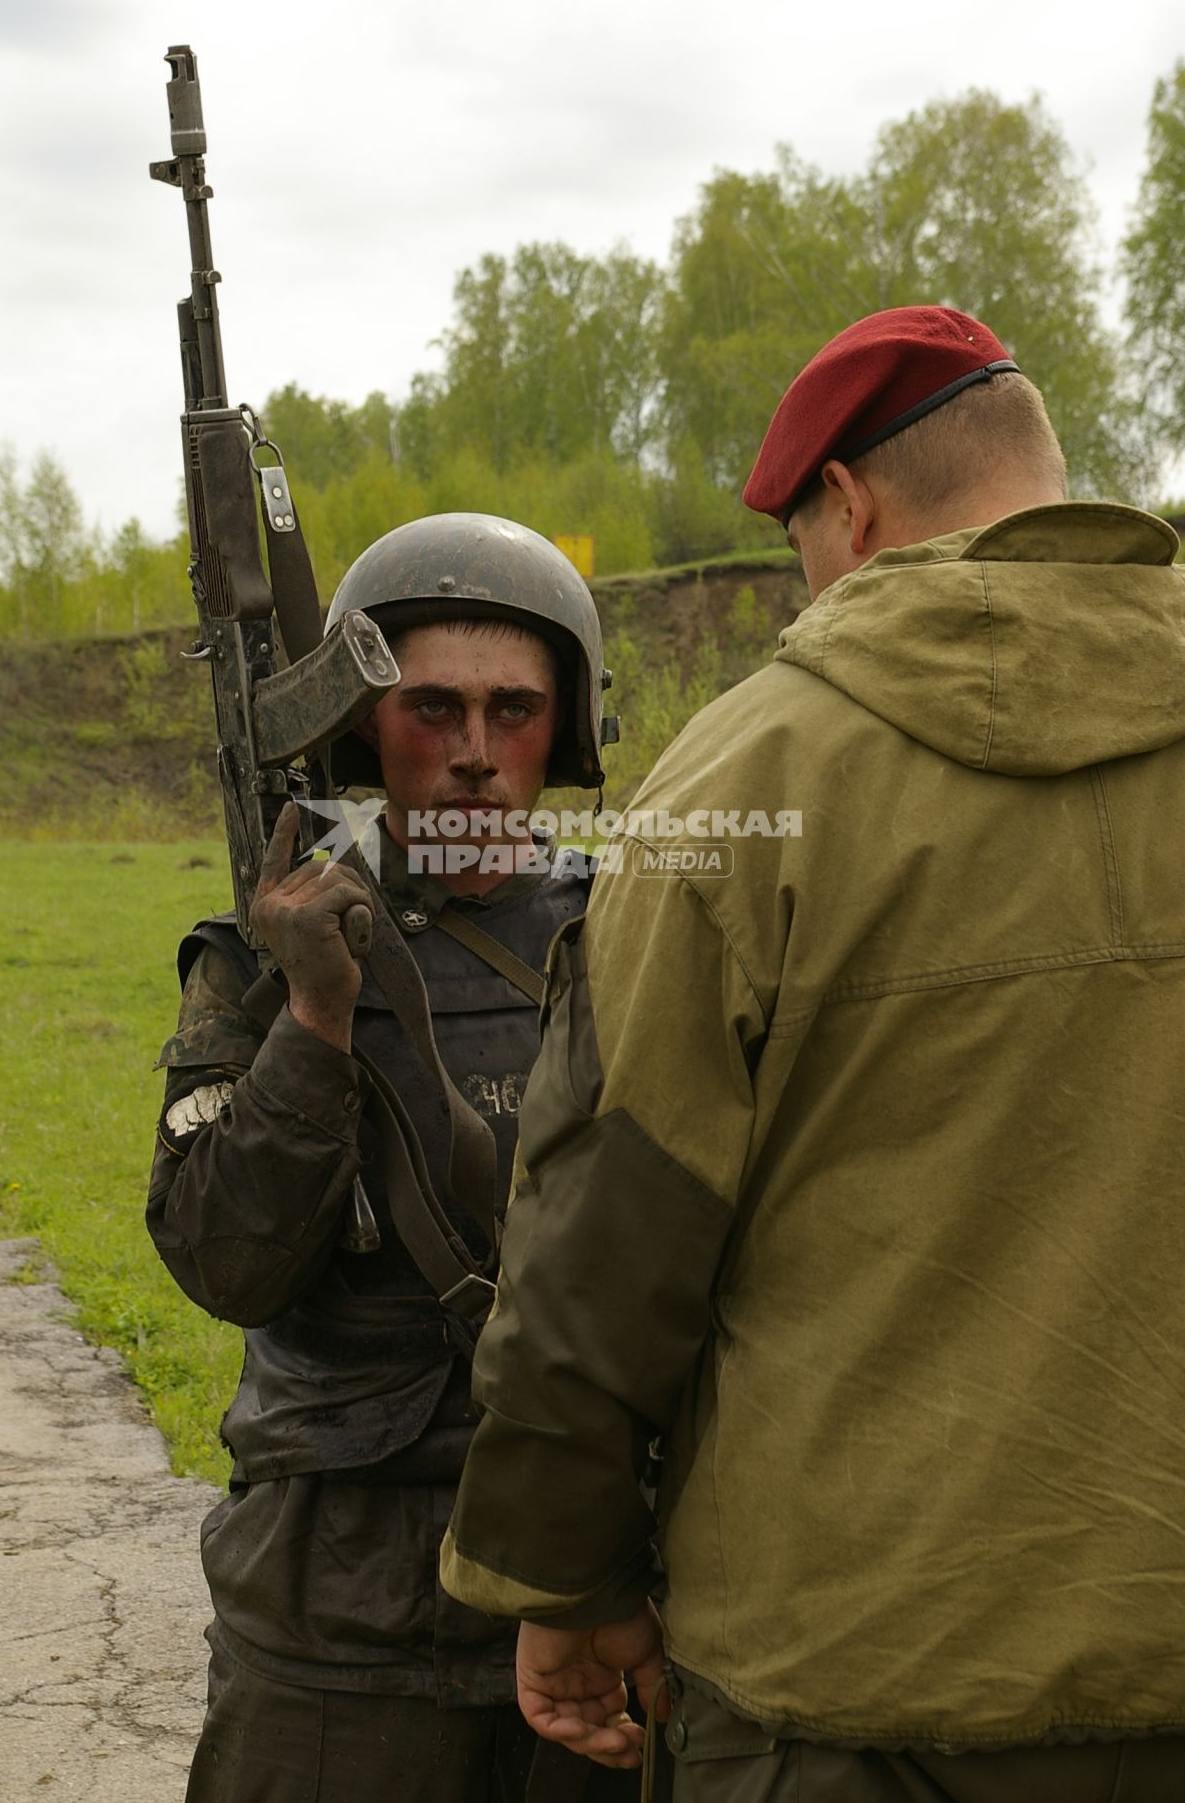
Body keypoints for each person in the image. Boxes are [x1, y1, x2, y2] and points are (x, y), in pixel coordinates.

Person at [440, 307, 1185, 1801]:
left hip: (847, 1689)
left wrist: (563, 1584)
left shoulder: (740, 783)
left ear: (845, 506)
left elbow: (600, 1245)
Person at [147, 511, 642, 1801]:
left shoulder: (635, 936)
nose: (475, 754)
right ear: (366, 722)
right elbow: (223, 1261)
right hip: (333, 1603)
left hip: (591, 1574)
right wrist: (313, 1018)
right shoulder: (258, 954)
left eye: (513, 710)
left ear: (566, 726)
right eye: (433, 707)